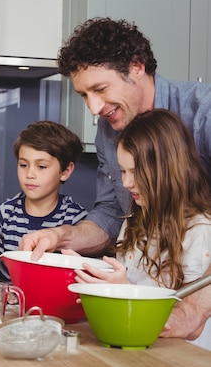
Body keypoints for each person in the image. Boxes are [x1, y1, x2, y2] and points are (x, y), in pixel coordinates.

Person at [16, 17, 211, 343]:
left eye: (101, 89)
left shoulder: (203, 113)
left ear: (137, 67)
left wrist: (194, 309)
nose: (94, 108)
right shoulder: (110, 129)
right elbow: (110, 212)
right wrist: (61, 237)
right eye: (83, 95)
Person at [74, 109, 211, 350]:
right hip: (137, 346)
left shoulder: (199, 230)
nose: (126, 183)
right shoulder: (135, 219)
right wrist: (92, 273)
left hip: (180, 359)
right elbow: (131, 280)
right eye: (123, 171)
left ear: (168, 169)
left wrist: (124, 292)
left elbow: (189, 327)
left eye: (136, 172)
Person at [0, 121, 87, 283]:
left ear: (66, 171)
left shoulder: (76, 221)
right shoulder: (3, 215)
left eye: (41, 166)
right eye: (24, 165)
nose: (30, 174)